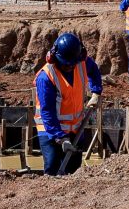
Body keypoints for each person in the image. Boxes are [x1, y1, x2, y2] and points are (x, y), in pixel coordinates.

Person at [34, 32, 103, 176]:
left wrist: (96, 92)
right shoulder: (46, 77)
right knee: (53, 168)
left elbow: (94, 71)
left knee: (73, 172)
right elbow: (47, 111)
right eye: (66, 64)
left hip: (75, 130)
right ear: (55, 57)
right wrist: (61, 138)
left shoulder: (81, 63)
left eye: (73, 64)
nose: (70, 67)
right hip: (50, 131)